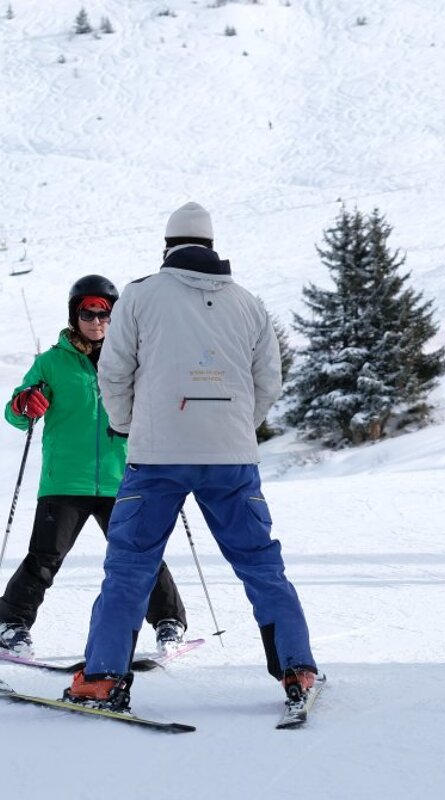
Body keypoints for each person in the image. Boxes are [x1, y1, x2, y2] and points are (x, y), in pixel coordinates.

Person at [64, 202, 318, 712]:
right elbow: (269, 379)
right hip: (231, 459)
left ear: (167, 246)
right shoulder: (248, 303)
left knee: (131, 566)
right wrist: (235, 430)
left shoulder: (139, 296)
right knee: (260, 563)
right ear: (211, 245)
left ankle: (102, 679)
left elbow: (113, 372)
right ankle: (298, 670)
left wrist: (129, 426)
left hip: (156, 457)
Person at [0, 276, 187, 658]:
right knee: (44, 558)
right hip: (65, 478)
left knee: (141, 554)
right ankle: (11, 623)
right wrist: (24, 404)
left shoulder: (132, 358)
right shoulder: (51, 362)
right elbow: (16, 413)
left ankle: (169, 622)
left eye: (105, 313)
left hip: (122, 477)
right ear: (75, 314)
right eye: (88, 312)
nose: (97, 320)